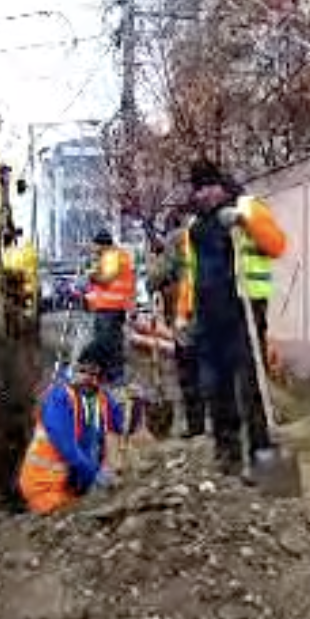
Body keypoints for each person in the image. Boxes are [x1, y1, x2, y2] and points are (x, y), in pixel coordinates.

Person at [175, 159, 288, 478]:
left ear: (220, 185)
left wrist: (243, 221)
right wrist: (183, 314)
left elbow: (277, 245)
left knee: (249, 386)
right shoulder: (195, 225)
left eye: (209, 187)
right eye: (199, 189)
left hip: (244, 309)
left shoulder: (248, 207)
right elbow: (192, 273)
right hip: (209, 314)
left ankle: (261, 455)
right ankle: (228, 455)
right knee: (215, 386)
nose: (205, 195)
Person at [16, 359, 127, 514]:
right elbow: (67, 446)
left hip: (73, 486)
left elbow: (122, 424)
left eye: (94, 373)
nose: (89, 377)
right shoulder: (59, 399)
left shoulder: (100, 398)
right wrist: (94, 475)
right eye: (83, 371)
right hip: (45, 488)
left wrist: (132, 403)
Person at [146, 215, 205, 437]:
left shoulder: (177, 239)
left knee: (189, 372)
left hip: (188, 314)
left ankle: (196, 425)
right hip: (218, 312)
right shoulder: (213, 233)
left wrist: (154, 266)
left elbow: (156, 278)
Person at [82, 229, 135, 383]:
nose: (93, 248)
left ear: (102, 245)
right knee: (112, 340)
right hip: (113, 305)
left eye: (95, 245)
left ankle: (112, 373)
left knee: (106, 341)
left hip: (109, 306)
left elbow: (106, 279)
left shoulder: (111, 256)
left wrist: (91, 275)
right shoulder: (117, 255)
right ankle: (108, 373)